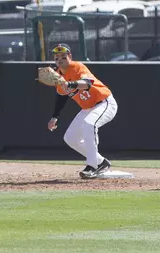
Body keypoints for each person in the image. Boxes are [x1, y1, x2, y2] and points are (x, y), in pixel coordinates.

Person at [47, 44, 118, 179]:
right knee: (70, 138)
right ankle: (101, 162)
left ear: (70, 57)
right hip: (88, 108)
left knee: (89, 124)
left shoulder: (77, 67)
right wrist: (54, 116)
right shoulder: (58, 76)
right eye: (57, 58)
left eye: (63, 56)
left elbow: (87, 83)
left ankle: (92, 166)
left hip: (105, 102)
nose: (60, 59)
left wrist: (70, 84)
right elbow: (61, 96)